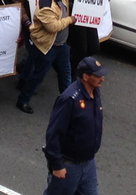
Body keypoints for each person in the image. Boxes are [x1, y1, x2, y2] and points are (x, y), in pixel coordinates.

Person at [43, 57, 107, 195]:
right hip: (69, 166)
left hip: (88, 164)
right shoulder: (69, 99)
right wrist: (57, 165)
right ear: (85, 77)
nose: (102, 79)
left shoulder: (95, 92)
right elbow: (54, 133)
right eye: (97, 76)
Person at [16, 0, 77, 114]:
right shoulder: (45, 6)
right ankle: (23, 100)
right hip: (46, 47)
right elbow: (53, 27)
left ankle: (67, 102)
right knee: (38, 76)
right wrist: (70, 20)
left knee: (65, 74)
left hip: (61, 45)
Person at [68, 0, 105, 73]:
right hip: (77, 20)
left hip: (90, 20)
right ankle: (73, 69)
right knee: (80, 48)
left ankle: (75, 63)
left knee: (94, 47)